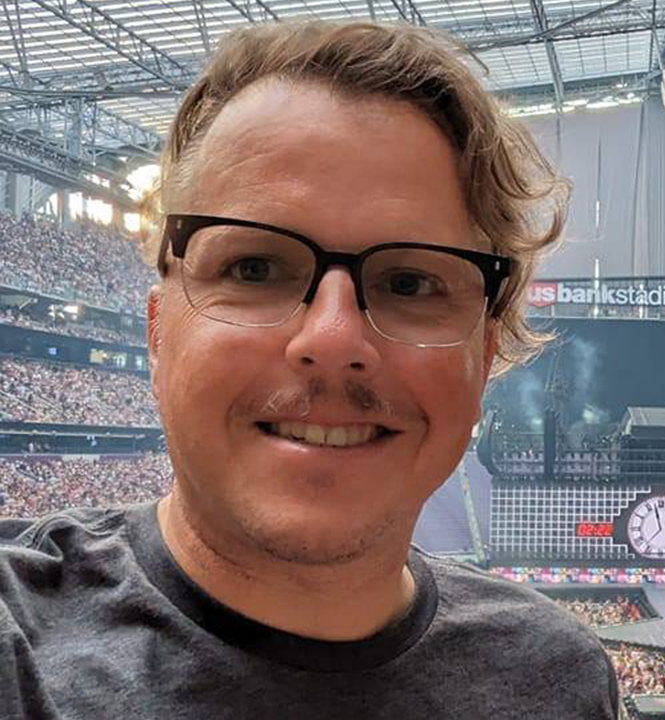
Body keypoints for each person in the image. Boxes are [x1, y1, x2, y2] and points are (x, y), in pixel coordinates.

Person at [0, 20, 619, 719]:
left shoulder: (555, 681)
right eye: (254, 267)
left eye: (410, 283)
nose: (331, 338)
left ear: (485, 355)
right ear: (157, 332)